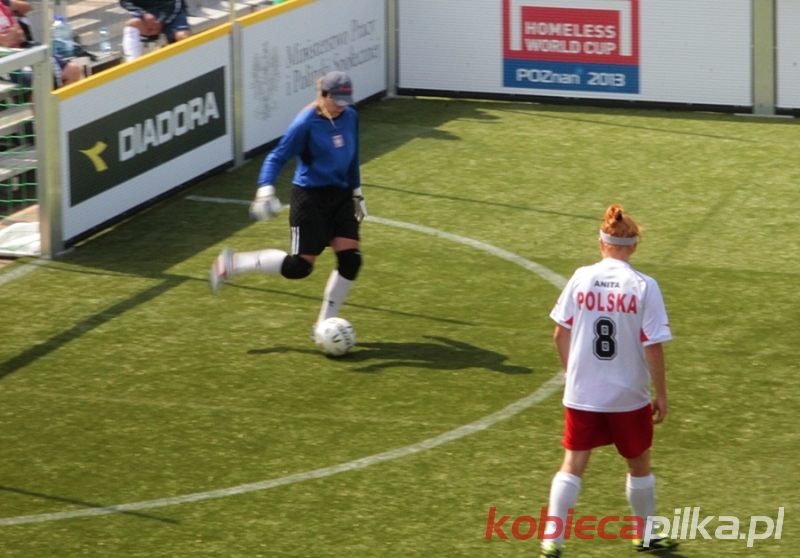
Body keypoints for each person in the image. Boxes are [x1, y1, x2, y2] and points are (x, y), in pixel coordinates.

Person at [540, 204, 677, 558]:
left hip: (583, 393)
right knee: (638, 463)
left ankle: (551, 542)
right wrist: (661, 393)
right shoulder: (645, 286)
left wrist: (574, 375)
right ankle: (645, 535)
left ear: (601, 244)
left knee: (572, 463)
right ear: (633, 247)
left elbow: (559, 333)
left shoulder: (581, 277)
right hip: (628, 395)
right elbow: (653, 345)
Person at [209, 70, 367, 340]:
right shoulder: (306, 122)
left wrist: (357, 192)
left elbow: (352, 157)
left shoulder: (350, 116)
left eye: (345, 101)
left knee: (351, 260)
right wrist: (265, 190)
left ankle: (323, 326)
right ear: (324, 95)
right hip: (310, 198)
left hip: (340, 196)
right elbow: (277, 157)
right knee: (299, 268)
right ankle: (234, 262)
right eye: (337, 100)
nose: (342, 106)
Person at [0, 2, 82, 89]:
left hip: (21, 51)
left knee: (72, 71)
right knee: (40, 82)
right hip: (5, 60)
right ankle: (40, 101)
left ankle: (55, 102)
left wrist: (13, 36)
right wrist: (6, 41)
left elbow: (25, 13)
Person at [119, 0, 191, 62]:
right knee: (132, 24)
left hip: (172, 14)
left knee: (183, 36)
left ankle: (189, 62)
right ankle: (132, 63)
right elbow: (125, 3)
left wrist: (161, 21)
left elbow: (177, 4)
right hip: (149, 16)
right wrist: (144, 14)